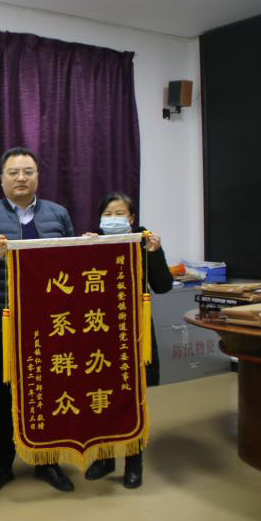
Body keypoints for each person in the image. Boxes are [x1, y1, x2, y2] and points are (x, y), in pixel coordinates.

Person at [0, 147, 76, 493]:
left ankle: (48, 462)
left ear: (37, 177)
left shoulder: (58, 214)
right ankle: (1, 465)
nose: (21, 178)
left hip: (50, 323)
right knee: (1, 397)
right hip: (1, 323)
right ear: (1, 179)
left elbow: (72, 264)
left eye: (28, 171)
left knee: (48, 392)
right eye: (13, 172)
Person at [82, 191, 173, 488]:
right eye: (107, 214)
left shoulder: (144, 243)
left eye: (119, 214)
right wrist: (81, 250)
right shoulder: (92, 241)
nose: (113, 219)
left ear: (131, 218)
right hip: (99, 331)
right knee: (101, 398)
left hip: (134, 333)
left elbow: (163, 285)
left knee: (133, 400)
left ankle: (135, 462)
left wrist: (155, 253)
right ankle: (105, 458)